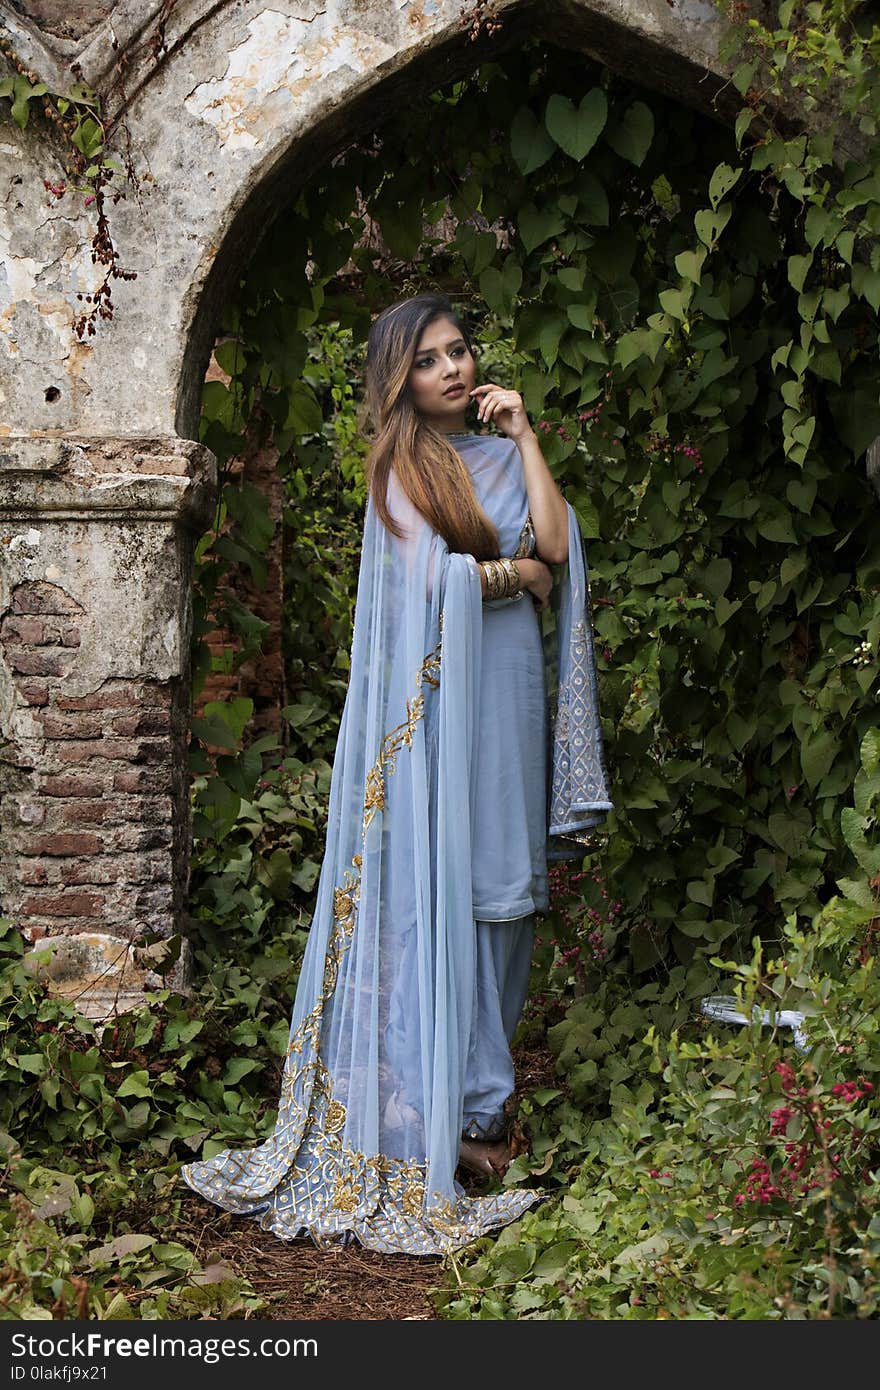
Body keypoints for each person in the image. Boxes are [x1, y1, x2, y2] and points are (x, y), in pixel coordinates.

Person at [180, 293, 613, 1256]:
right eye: (429, 360)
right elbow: (436, 587)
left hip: (507, 697)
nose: (454, 370)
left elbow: (553, 545)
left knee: (509, 891)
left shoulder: (502, 455)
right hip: (435, 708)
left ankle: (483, 1110)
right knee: (442, 892)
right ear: (400, 380)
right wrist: (514, 580)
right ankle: (440, 1112)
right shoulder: (402, 471)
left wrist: (529, 436)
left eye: (461, 351)